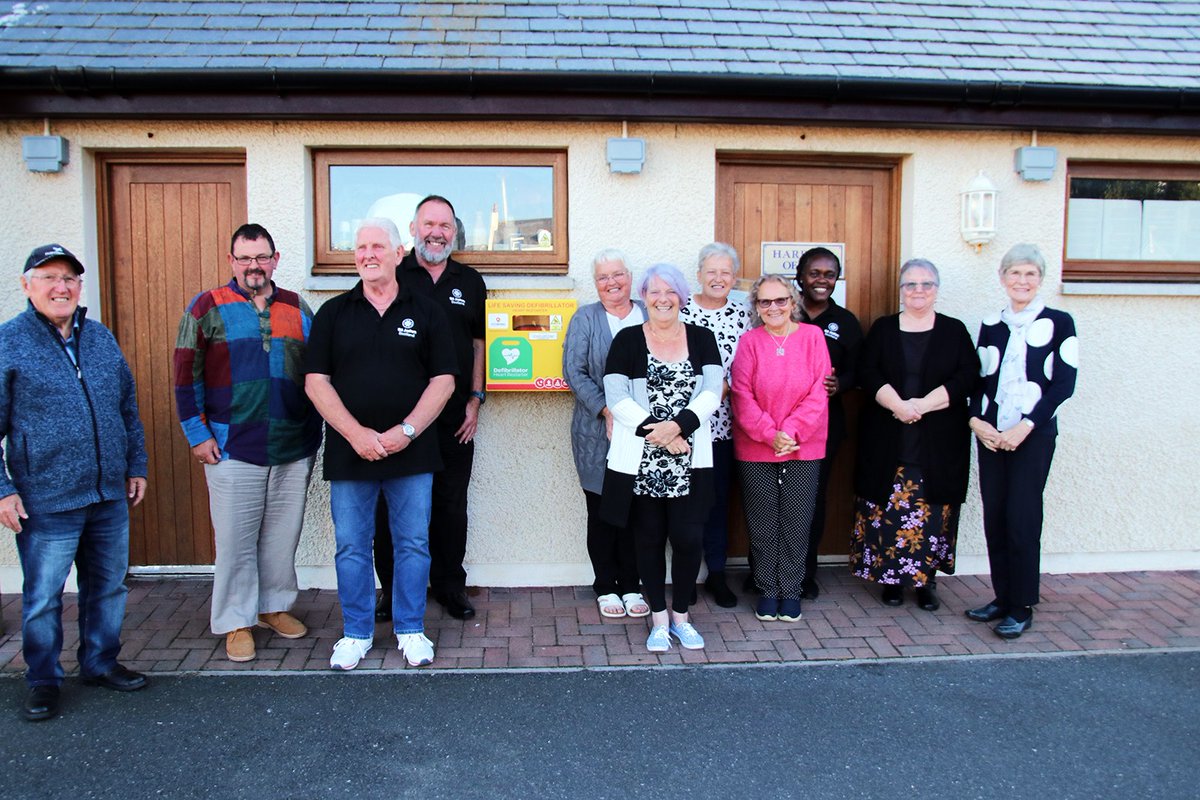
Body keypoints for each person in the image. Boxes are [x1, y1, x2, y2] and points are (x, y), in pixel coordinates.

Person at [0, 244, 149, 722]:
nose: (60, 287)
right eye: (48, 278)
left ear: (79, 287)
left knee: (107, 587)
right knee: (44, 597)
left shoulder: (100, 338)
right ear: (27, 285)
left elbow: (126, 408)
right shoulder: (10, 343)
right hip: (46, 499)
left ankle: (100, 662)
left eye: (69, 278)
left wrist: (136, 464)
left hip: (108, 492)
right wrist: (3, 489)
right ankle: (43, 679)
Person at [305, 218, 457, 670]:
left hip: (412, 452)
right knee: (351, 545)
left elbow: (444, 380)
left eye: (377, 246)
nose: (367, 254)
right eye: (360, 247)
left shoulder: (427, 310)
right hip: (350, 453)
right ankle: (356, 633)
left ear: (398, 252)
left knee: (412, 543)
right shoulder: (334, 313)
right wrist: (356, 434)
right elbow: (316, 382)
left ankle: (411, 629)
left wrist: (405, 431)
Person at [174, 223, 322, 662]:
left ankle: (273, 607)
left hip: (292, 445)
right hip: (231, 445)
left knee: (281, 536)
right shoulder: (206, 307)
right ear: (231, 261)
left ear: (275, 260)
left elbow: (318, 373)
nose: (253, 265)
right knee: (237, 540)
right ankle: (236, 620)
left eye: (262, 257)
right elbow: (186, 376)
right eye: (245, 257)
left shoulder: (298, 308)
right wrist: (197, 434)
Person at [374, 195, 486, 623]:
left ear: (454, 231)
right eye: (428, 224)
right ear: (413, 229)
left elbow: (479, 345)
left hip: (456, 417)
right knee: (393, 507)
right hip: (402, 420)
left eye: (444, 225)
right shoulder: (395, 274)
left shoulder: (470, 281)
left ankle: (449, 587)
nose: (436, 232)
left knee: (451, 507)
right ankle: (393, 591)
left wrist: (476, 400)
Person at [601, 263, 722, 653]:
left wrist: (678, 427)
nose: (662, 298)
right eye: (654, 291)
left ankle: (681, 618)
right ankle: (657, 620)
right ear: (644, 296)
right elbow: (616, 397)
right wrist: (661, 431)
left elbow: (712, 391)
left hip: (690, 459)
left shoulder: (703, 338)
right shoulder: (627, 341)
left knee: (688, 540)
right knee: (648, 541)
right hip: (642, 461)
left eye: (670, 291)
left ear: (682, 297)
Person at [849, 259, 978, 610]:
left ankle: (925, 584)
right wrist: (899, 406)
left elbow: (968, 376)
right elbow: (868, 371)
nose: (918, 290)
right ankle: (891, 581)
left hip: (938, 441)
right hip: (889, 436)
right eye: (910, 284)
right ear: (901, 290)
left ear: (936, 289)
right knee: (888, 511)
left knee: (932, 514)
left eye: (926, 284)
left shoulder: (954, 331)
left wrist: (922, 405)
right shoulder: (884, 329)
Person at [966, 244, 1078, 639]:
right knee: (995, 516)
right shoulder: (991, 324)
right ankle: (1002, 596)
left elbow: (1064, 384)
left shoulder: (1059, 322)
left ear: (1040, 280)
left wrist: (1026, 426)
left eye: (1030, 274)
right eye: (1015, 273)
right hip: (992, 435)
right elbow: (979, 378)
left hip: (1032, 436)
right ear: (1002, 278)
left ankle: (1022, 604)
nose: (1022, 281)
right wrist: (976, 420)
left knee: (1022, 518)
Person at [731, 274, 830, 622]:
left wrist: (789, 431)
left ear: (793, 301)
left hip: (804, 445)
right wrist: (769, 434)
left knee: (797, 520)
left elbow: (819, 391)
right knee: (762, 522)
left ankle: (791, 590)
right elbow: (742, 396)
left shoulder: (813, 338)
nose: (773, 308)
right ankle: (767, 589)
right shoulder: (749, 342)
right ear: (757, 307)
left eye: (780, 300)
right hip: (756, 446)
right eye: (765, 302)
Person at [562, 249, 649, 620]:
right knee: (602, 511)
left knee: (638, 512)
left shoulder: (649, 312)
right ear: (595, 283)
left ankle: (632, 584)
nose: (612, 283)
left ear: (630, 276)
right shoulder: (586, 318)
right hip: (596, 431)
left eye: (618, 275)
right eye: (603, 278)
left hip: (646, 430)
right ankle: (606, 585)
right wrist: (607, 408)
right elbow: (573, 371)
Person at [678, 242, 751, 608]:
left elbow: (749, 370)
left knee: (718, 505)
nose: (718, 278)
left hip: (723, 430)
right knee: (684, 507)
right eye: (711, 271)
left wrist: (723, 389)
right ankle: (686, 577)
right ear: (699, 274)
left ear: (734, 278)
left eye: (725, 273)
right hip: (681, 431)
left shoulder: (743, 317)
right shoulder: (680, 312)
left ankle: (717, 575)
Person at [796, 247, 863, 599]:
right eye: (814, 273)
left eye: (829, 274)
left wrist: (844, 383)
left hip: (824, 426)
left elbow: (860, 369)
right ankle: (764, 570)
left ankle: (805, 573)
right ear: (800, 276)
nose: (822, 280)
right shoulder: (782, 311)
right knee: (769, 499)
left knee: (812, 499)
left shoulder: (845, 322)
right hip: (775, 425)